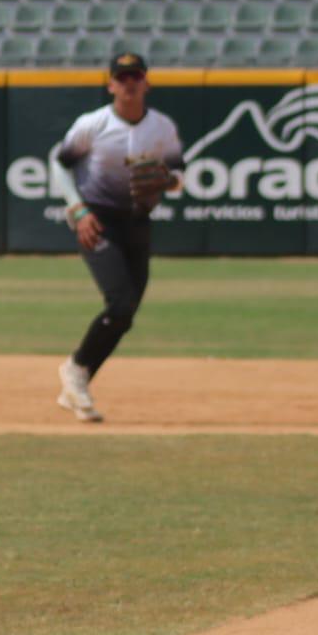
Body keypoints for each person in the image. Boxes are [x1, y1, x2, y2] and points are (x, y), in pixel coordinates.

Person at [53, 50, 184, 422]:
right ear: (110, 84)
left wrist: (166, 181)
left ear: (146, 82)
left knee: (126, 313)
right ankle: (77, 374)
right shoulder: (93, 124)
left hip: (138, 221)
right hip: (97, 219)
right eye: (121, 77)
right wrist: (77, 209)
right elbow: (60, 165)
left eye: (135, 76)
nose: (129, 83)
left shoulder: (161, 127)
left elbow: (179, 176)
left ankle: (76, 377)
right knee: (120, 301)